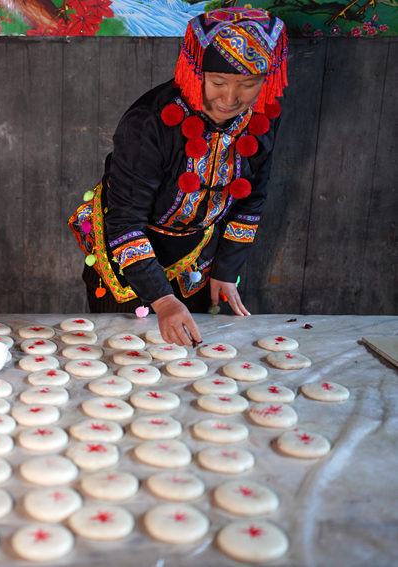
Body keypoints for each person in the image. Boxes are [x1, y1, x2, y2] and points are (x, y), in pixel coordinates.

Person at [69, 8, 288, 347]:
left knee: (190, 360)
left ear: (267, 79)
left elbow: (250, 200)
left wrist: (226, 270)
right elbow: (125, 221)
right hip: (127, 253)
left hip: (195, 256)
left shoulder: (261, 120)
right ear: (196, 71)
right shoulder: (150, 123)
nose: (230, 99)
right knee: (123, 353)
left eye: (247, 85)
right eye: (218, 82)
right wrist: (162, 299)